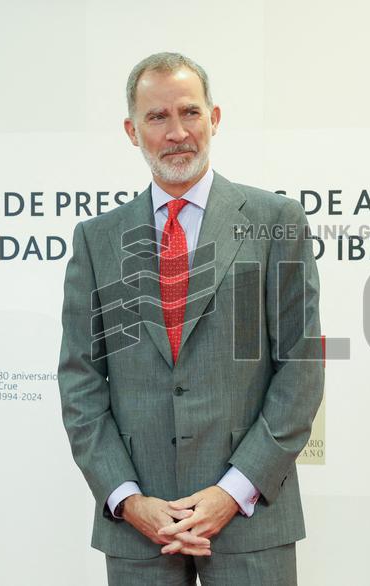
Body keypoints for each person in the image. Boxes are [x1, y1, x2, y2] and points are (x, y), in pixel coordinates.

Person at [57, 52, 324, 585]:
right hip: (140, 526)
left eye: (190, 112)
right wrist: (128, 499)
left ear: (215, 118)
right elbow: (80, 379)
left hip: (251, 519)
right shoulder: (97, 240)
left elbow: (300, 366)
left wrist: (233, 492)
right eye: (157, 117)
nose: (177, 132)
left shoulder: (276, 221)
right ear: (132, 131)